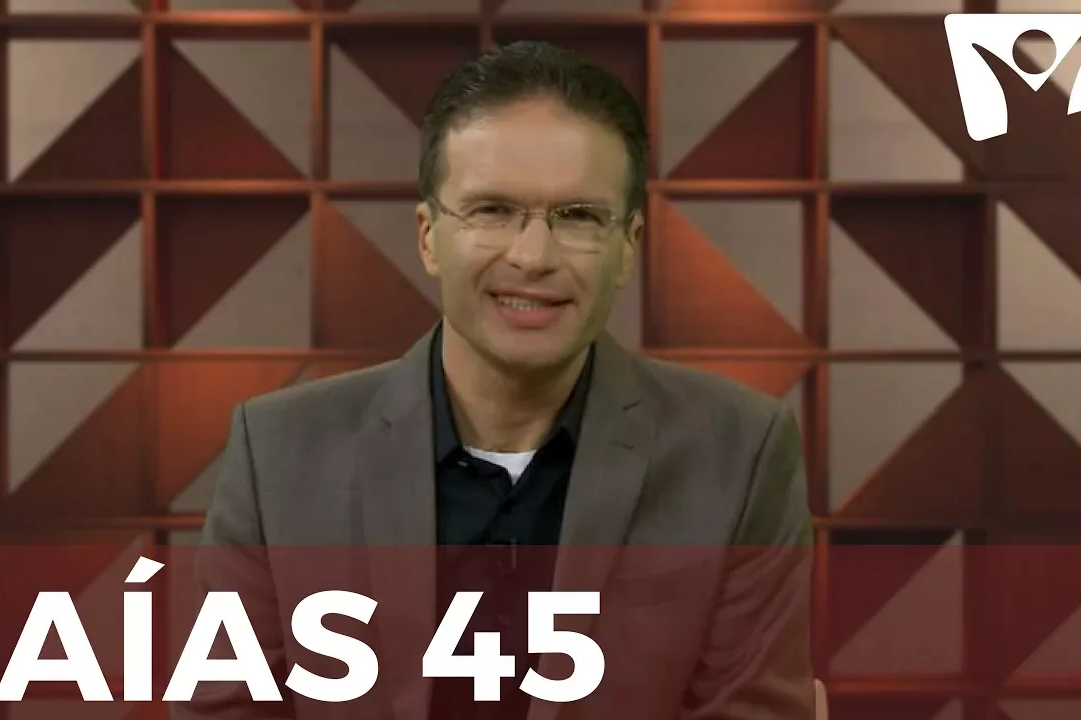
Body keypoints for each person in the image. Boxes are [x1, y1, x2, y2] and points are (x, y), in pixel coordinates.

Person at [171, 40, 814, 720]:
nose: (532, 256)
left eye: (578, 216)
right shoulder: (278, 453)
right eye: (492, 211)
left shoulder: (739, 453)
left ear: (627, 247)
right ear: (428, 236)